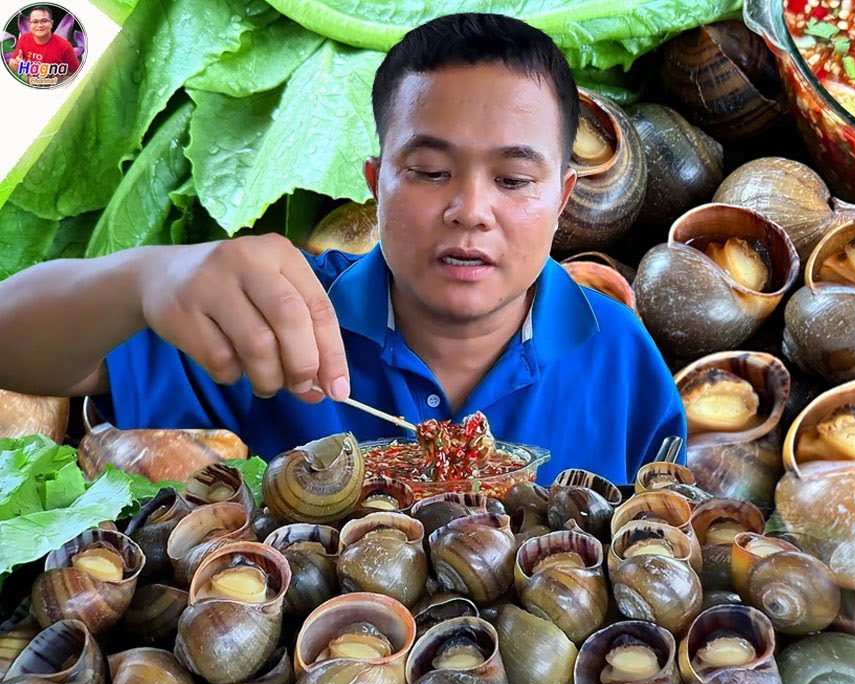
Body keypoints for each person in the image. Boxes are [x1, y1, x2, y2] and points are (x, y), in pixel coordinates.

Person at [0, 13, 686, 485]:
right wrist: (146, 277)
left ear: (564, 198)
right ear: (375, 184)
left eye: (513, 179)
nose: (471, 211)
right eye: (429, 171)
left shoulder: (620, 355)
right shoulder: (274, 317)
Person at [7, 6, 80, 85]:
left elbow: (77, 75)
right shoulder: (24, 39)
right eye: (35, 22)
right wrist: (20, 66)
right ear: (30, 24)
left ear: (51, 23)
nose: (40, 25)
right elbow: (12, 62)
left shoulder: (65, 46)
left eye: (44, 21)